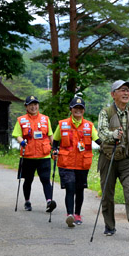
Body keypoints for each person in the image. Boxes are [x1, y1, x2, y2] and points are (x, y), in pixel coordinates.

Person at [97, 80, 129, 240]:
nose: (126, 93)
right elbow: (101, 132)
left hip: (128, 159)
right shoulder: (105, 112)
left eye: (127, 90)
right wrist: (113, 135)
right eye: (122, 90)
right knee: (107, 194)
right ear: (113, 94)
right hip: (109, 157)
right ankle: (109, 225)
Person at [52, 95, 100, 227]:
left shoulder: (89, 126)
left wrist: (108, 144)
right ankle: (70, 215)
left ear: (83, 110)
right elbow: (55, 140)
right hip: (66, 163)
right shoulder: (63, 124)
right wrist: (54, 150)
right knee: (70, 187)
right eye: (75, 108)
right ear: (71, 109)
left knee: (80, 190)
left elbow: (98, 140)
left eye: (80, 108)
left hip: (82, 164)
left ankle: (77, 214)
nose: (78, 110)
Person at [12, 95, 56, 213]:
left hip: (44, 155)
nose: (33, 107)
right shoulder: (21, 120)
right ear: (26, 106)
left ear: (38, 105)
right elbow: (17, 135)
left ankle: (49, 201)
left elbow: (50, 135)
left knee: (45, 179)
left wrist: (55, 148)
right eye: (31, 104)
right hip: (28, 155)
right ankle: (27, 201)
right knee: (28, 180)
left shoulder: (45, 119)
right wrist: (22, 142)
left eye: (35, 104)